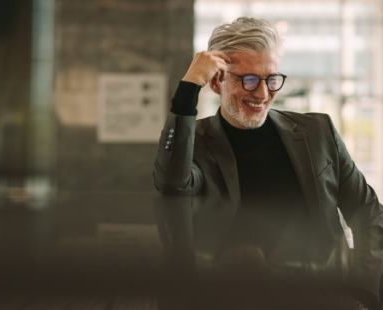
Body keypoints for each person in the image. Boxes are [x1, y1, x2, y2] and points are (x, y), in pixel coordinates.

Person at [153, 17, 383, 309]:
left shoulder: (318, 132)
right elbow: (172, 184)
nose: (262, 93)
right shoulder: (195, 142)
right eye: (248, 79)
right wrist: (187, 91)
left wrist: (361, 291)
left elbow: (369, 213)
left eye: (271, 79)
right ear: (215, 82)